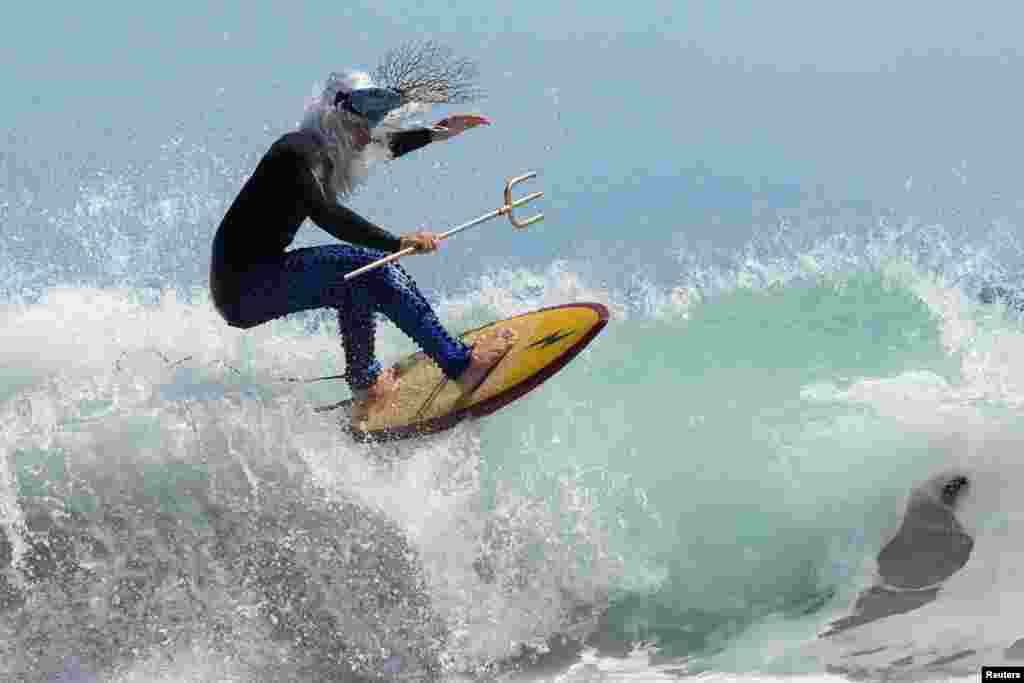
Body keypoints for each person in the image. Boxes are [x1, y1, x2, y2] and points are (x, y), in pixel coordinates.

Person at [209, 54, 517, 427]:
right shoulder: (298, 152)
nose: (365, 135)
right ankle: (462, 366)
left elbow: (383, 144)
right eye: (359, 125)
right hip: (244, 285)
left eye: (370, 125)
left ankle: (366, 384)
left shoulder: (332, 145)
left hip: (256, 278)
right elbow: (326, 213)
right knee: (372, 269)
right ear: (334, 118)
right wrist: (396, 242)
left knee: (355, 281)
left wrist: (437, 132)